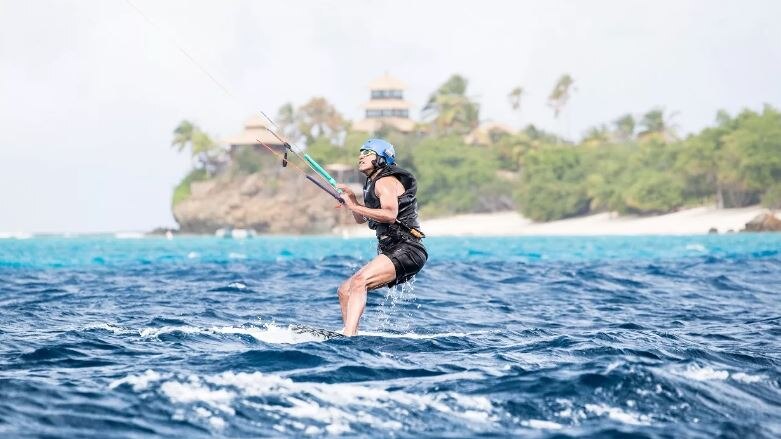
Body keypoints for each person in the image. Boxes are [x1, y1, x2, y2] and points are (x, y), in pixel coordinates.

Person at [335, 139, 427, 336]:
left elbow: (389, 215)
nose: (361, 156)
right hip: (394, 249)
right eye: (360, 152)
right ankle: (350, 335)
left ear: (381, 158)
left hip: (408, 248)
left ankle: (349, 334)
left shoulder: (386, 182)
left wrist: (353, 206)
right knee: (345, 291)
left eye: (367, 152)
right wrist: (352, 200)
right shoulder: (372, 184)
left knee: (359, 281)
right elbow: (361, 219)